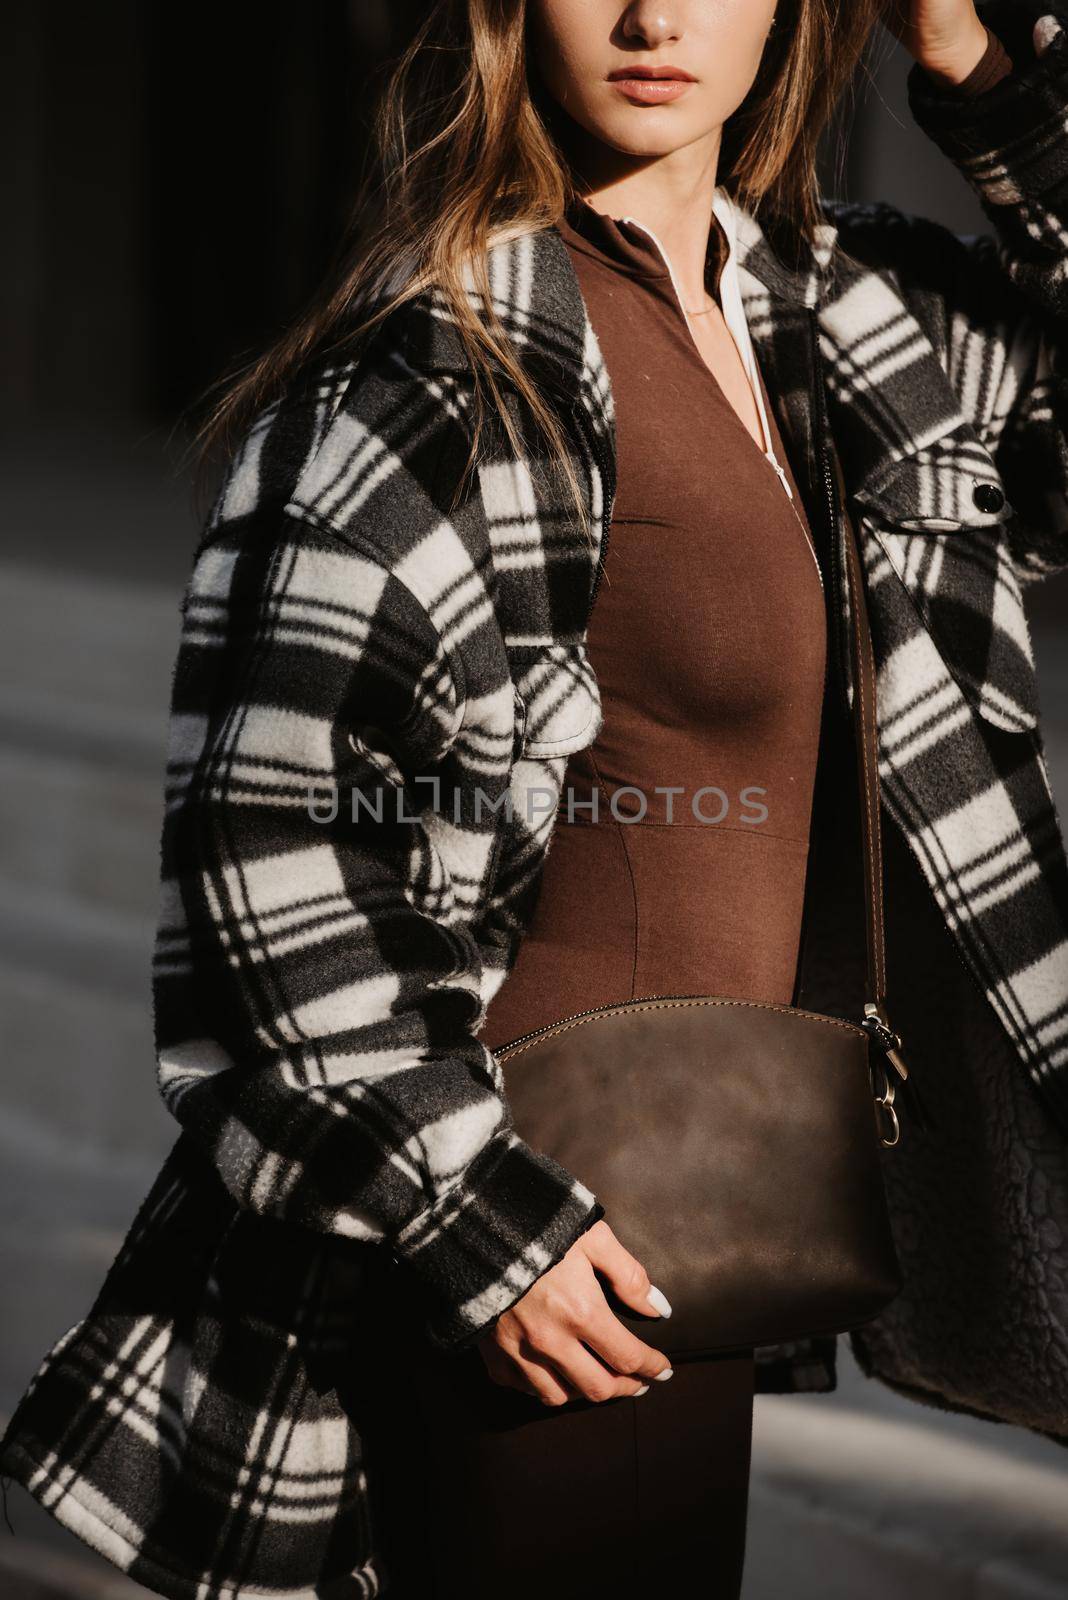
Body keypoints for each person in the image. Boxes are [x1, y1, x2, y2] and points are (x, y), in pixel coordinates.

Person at [2, 2, 1068, 1597]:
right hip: (530, 1239)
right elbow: (264, 846)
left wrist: (982, 66)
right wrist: (479, 1225)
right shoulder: (439, 362)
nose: (653, 16)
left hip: (715, 1203)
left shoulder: (830, 314)